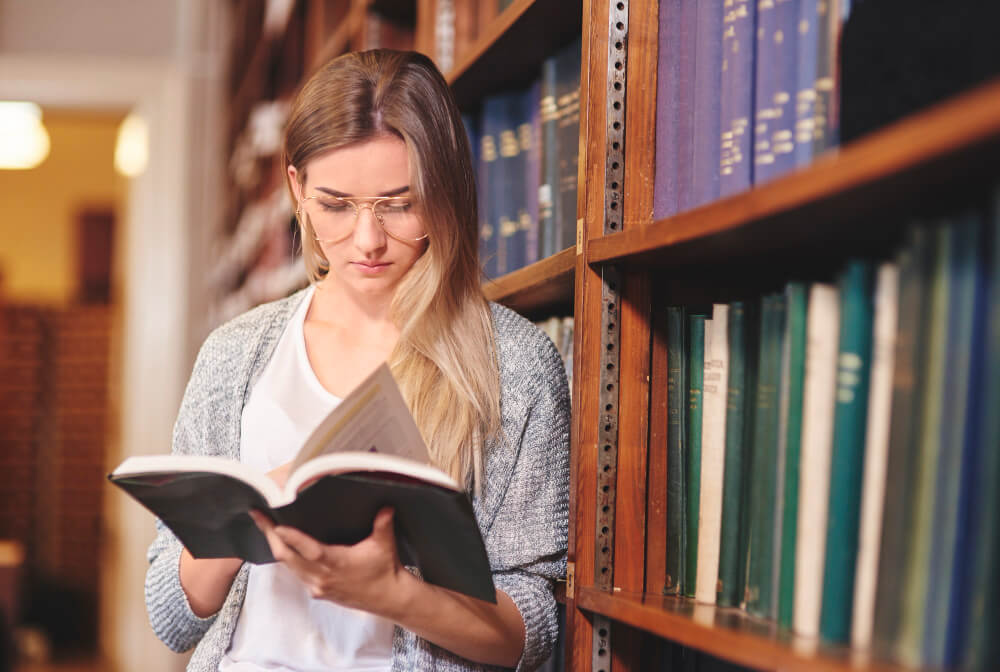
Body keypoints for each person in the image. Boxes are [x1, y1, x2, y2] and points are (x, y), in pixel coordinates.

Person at [144, 49, 570, 672]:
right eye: (336, 205)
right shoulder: (235, 355)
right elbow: (172, 618)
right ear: (297, 188)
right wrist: (246, 518)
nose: (367, 241)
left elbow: (531, 633)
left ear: (445, 192)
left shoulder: (517, 367)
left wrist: (396, 596)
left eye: (399, 203)